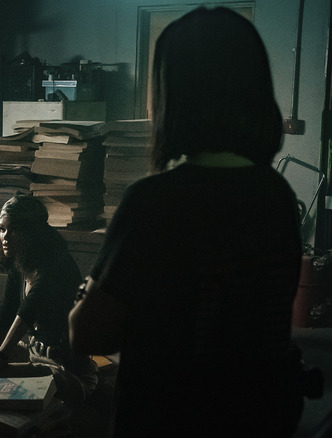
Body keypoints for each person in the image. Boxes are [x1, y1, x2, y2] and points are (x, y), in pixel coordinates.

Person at [69, 7, 307, 437]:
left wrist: (90, 289)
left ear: (174, 95)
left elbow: (87, 335)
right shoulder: (278, 197)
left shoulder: (155, 201)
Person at [0, 195, 98, 404]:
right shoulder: (21, 261)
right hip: (33, 354)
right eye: (1, 229)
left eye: (12, 230)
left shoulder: (56, 266)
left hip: (62, 367)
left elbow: (25, 316)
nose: (4, 236)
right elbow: (3, 317)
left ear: (32, 232)